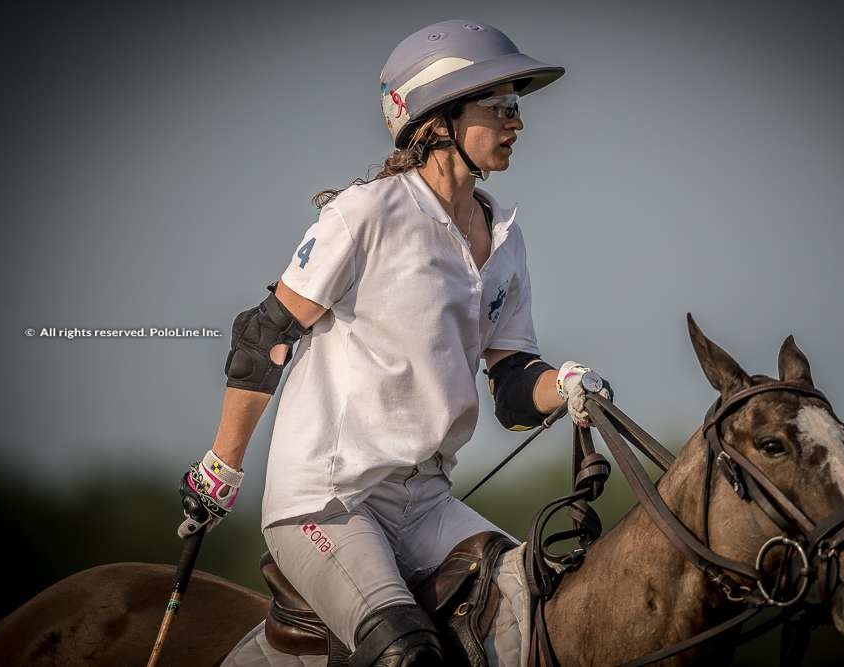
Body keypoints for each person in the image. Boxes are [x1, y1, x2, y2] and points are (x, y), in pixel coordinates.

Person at [177, 19, 612, 667]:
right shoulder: (367, 212)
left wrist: (568, 386)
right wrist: (222, 464)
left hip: (426, 499)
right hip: (326, 501)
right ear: (437, 122)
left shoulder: (506, 240)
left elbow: (516, 386)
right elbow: (264, 334)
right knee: (407, 654)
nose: (516, 122)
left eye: (516, 107)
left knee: (554, 608)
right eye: (500, 107)